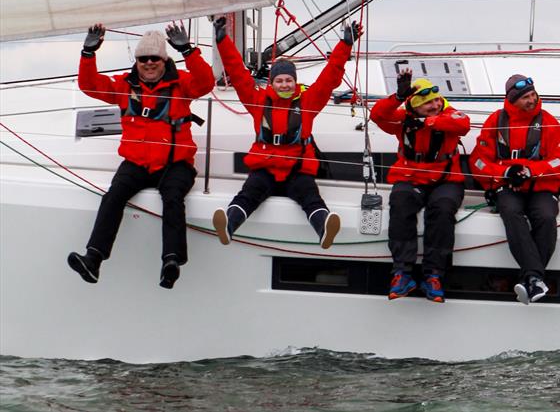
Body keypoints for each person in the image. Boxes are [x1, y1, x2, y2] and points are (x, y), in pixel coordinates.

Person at [68, 23, 215, 288]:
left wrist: (187, 50)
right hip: (137, 163)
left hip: (174, 164)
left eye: (154, 58)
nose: (148, 63)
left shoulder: (181, 84)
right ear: (136, 61)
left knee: (173, 199)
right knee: (113, 197)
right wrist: (88, 53)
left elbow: (206, 83)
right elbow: (90, 85)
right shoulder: (125, 85)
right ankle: (93, 259)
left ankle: (171, 262)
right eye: (142, 59)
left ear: (164, 60)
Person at [211, 17, 361, 248]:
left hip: (296, 169)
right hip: (265, 169)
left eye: (289, 80)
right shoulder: (258, 101)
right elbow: (238, 74)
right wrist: (222, 41)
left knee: (310, 196)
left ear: (295, 82)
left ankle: (324, 230)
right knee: (248, 194)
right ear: (271, 83)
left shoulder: (308, 102)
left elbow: (329, 78)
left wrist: (345, 45)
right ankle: (228, 226)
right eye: (279, 80)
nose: (284, 85)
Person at [370, 69, 471, 303]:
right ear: (414, 105)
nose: (436, 104)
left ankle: (434, 274)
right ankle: (402, 273)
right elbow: (377, 115)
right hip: (411, 176)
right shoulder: (402, 120)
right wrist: (398, 96)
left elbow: (463, 124)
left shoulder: (449, 114)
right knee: (401, 203)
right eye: (428, 103)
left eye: (437, 100)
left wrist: (429, 120)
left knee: (443, 210)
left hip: (446, 179)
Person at [470, 75, 560, 304]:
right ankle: (535, 280)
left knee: (546, 216)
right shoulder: (496, 121)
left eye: (533, 94)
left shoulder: (548, 122)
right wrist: (505, 173)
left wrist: (529, 170)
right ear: (512, 100)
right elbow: (478, 162)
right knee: (510, 212)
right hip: (507, 186)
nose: (532, 100)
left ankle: (532, 278)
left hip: (541, 186)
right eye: (526, 97)